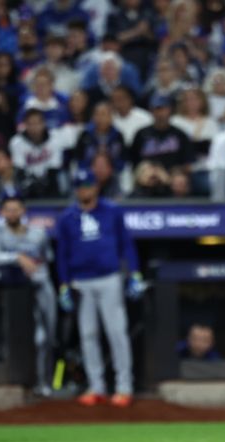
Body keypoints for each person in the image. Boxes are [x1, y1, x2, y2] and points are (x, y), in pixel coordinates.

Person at [55, 170, 145, 408]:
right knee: (88, 335)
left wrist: (134, 273)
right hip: (81, 281)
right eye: (81, 186)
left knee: (117, 332)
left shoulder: (111, 210)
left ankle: (124, 387)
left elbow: (126, 243)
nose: (85, 190)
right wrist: (63, 285)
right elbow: (62, 255)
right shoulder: (67, 217)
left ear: (96, 187)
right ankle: (96, 386)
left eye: (89, 185)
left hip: (109, 278)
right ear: (75, 189)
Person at [0, 191, 56, 397]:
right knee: (12, 337)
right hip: (10, 291)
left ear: (23, 211)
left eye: (16, 208)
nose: (12, 213)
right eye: (8, 209)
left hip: (39, 286)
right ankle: (18, 380)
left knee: (46, 334)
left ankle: (44, 381)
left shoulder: (38, 233)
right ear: (2, 212)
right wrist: (17, 257)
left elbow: (48, 258)